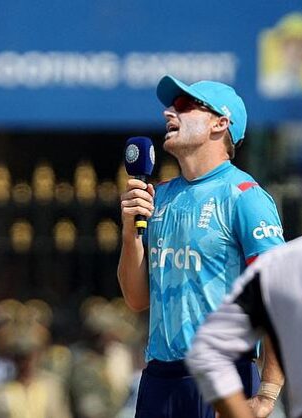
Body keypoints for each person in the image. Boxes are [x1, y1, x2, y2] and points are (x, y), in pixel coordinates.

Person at [117, 75, 285, 417]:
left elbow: (279, 295)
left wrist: (268, 394)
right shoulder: (158, 196)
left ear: (220, 124)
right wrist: (129, 233)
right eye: (170, 106)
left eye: (183, 106)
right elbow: (136, 300)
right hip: (159, 380)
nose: (168, 113)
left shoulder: (244, 195)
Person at [187, 230, 302, 417]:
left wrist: (267, 394)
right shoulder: (281, 265)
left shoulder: (283, 264)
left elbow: (207, 349)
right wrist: (267, 394)